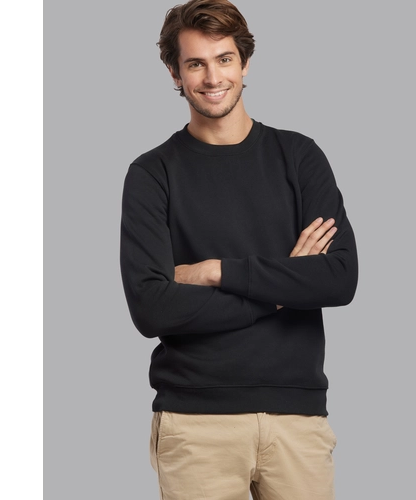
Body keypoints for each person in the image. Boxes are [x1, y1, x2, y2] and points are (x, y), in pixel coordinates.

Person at [120, 0, 358, 498]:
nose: (213, 78)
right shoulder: (152, 174)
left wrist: (215, 271)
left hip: (297, 419)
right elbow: (152, 309)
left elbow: (338, 279)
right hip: (195, 422)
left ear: (245, 63)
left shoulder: (299, 156)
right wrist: (283, 288)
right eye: (195, 63)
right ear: (175, 73)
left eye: (224, 59)